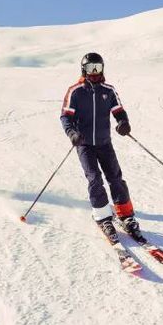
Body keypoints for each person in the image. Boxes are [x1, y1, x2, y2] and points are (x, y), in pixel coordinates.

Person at [60, 52, 142, 242]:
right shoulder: (76, 91)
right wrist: (72, 133)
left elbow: (119, 111)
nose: (95, 72)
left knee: (116, 178)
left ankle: (126, 216)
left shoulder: (109, 90)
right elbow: (66, 117)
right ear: (84, 69)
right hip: (84, 144)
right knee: (94, 178)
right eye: (91, 68)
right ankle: (103, 217)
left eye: (98, 68)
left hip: (105, 143)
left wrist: (123, 123)